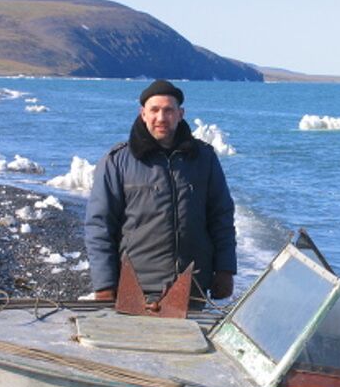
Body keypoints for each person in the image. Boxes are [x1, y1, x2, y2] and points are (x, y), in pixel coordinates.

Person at [85, 79, 237, 306]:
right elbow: (99, 226)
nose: (161, 118)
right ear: (143, 114)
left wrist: (225, 269)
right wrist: (105, 284)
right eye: (154, 110)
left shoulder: (204, 158)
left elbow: (221, 216)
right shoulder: (117, 162)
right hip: (136, 287)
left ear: (180, 114)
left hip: (191, 286)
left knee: (190, 342)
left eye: (168, 110)